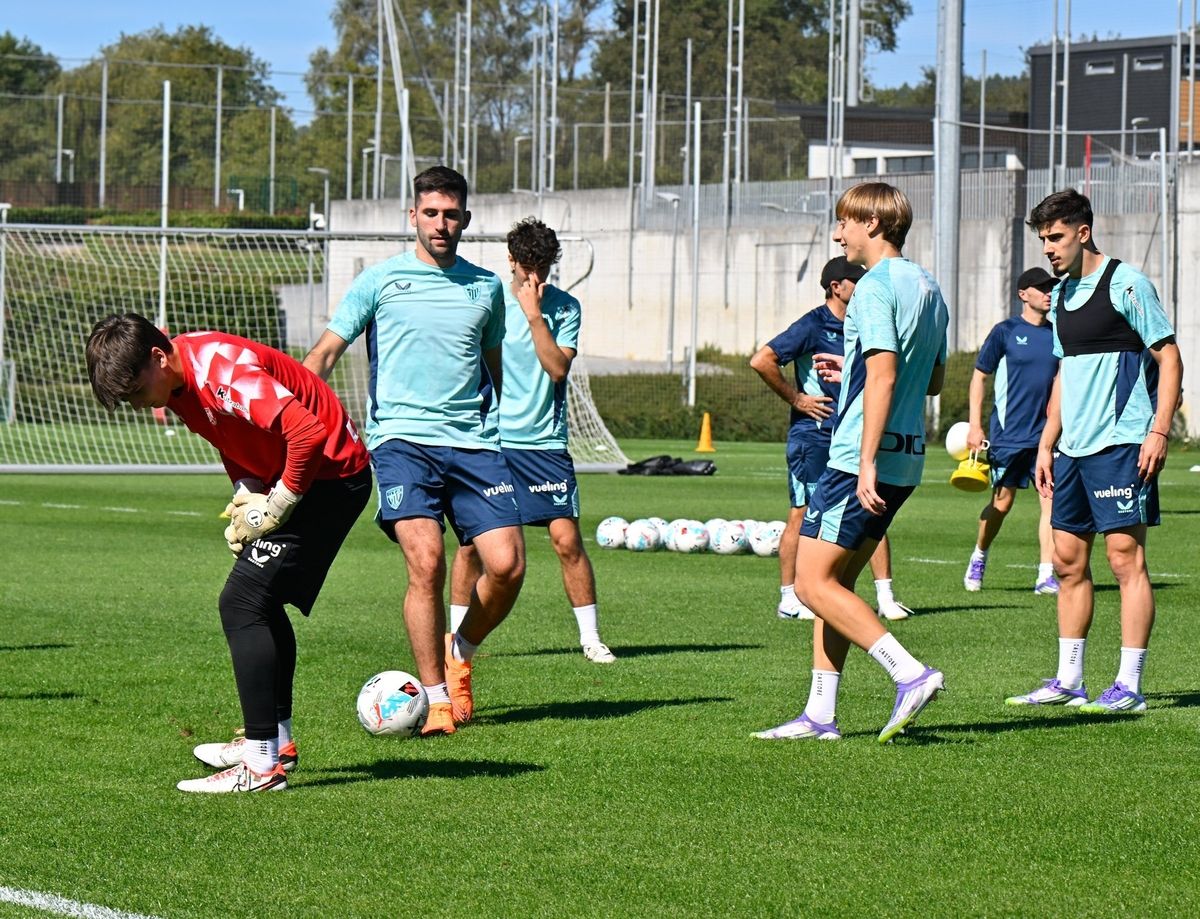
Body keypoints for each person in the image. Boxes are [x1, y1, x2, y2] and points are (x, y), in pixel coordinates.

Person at [85, 313, 371, 793]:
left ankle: (260, 767)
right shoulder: (177, 384)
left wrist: (276, 506)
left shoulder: (221, 370)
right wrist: (246, 494)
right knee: (260, 601)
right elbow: (230, 437)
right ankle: (275, 741)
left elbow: (307, 432)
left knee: (242, 602)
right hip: (304, 476)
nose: (136, 404)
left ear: (157, 357)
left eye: (135, 391)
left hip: (331, 476)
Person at [303, 165, 526, 736]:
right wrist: (292, 415)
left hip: (474, 444)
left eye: (451, 215)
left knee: (507, 567)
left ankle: (461, 651)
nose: (440, 224)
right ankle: (436, 699)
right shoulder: (380, 282)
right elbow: (324, 354)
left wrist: (499, 426)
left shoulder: (486, 288)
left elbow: (494, 366)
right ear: (413, 216)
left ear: (465, 219)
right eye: (430, 213)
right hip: (401, 442)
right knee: (427, 563)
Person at [753, 181, 948, 744]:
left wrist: (863, 460)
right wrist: (855, 371)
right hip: (907, 458)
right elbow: (931, 379)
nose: (839, 234)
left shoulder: (873, 288)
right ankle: (820, 714)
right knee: (836, 583)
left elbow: (883, 376)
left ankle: (909, 673)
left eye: (844, 222)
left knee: (810, 584)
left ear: (872, 223)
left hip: (859, 459)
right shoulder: (929, 287)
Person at [1006, 188, 1182, 714]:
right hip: (1072, 449)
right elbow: (1065, 373)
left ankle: (1129, 686)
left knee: (1125, 559)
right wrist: (1046, 443)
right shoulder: (1060, 296)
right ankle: (1069, 680)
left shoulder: (1128, 284)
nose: (1048, 248)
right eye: (1043, 239)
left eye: (1056, 237)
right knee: (1067, 562)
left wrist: (1158, 431)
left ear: (1083, 233)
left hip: (1122, 442)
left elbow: (1170, 358)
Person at [448, 218, 615, 664]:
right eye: (527, 267)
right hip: (491, 442)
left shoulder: (565, 307)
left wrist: (533, 314)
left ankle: (591, 638)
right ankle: (454, 640)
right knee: (471, 547)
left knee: (566, 541)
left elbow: (557, 369)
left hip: (544, 444)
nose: (535, 276)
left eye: (543, 267)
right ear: (511, 260)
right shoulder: (488, 299)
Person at [750, 255, 914, 623]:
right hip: (813, 438)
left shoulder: (865, 323)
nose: (864, 285)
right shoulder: (813, 325)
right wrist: (797, 399)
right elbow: (762, 360)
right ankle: (790, 598)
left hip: (854, 436)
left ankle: (885, 596)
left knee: (871, 507)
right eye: (857, 280)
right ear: (836, 287)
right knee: (802, 514)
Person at [962, 267, 1061, 595]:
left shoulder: (1058, 335)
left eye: (1051, 288)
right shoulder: (1005, 332)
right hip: (1007, 437)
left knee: (1051, 503)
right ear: (1023, 294)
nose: (1048, 293)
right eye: (1041, 288)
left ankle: (1045, 575)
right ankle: (979, 555)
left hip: (1045, 438)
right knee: (1002, 504)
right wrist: (975, 425)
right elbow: (979, 377)